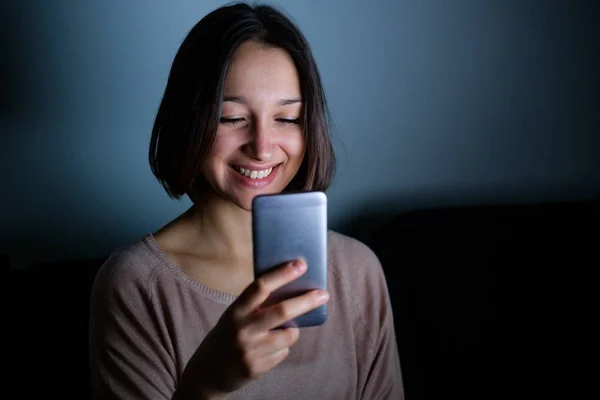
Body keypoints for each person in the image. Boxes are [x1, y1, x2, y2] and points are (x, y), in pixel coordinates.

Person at [88, 2, 404, 399]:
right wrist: (206, 384)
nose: (262, 146)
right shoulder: (136, 285)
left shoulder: (358, 273)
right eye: (232, 117)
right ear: (191, 120)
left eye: (287, 119)